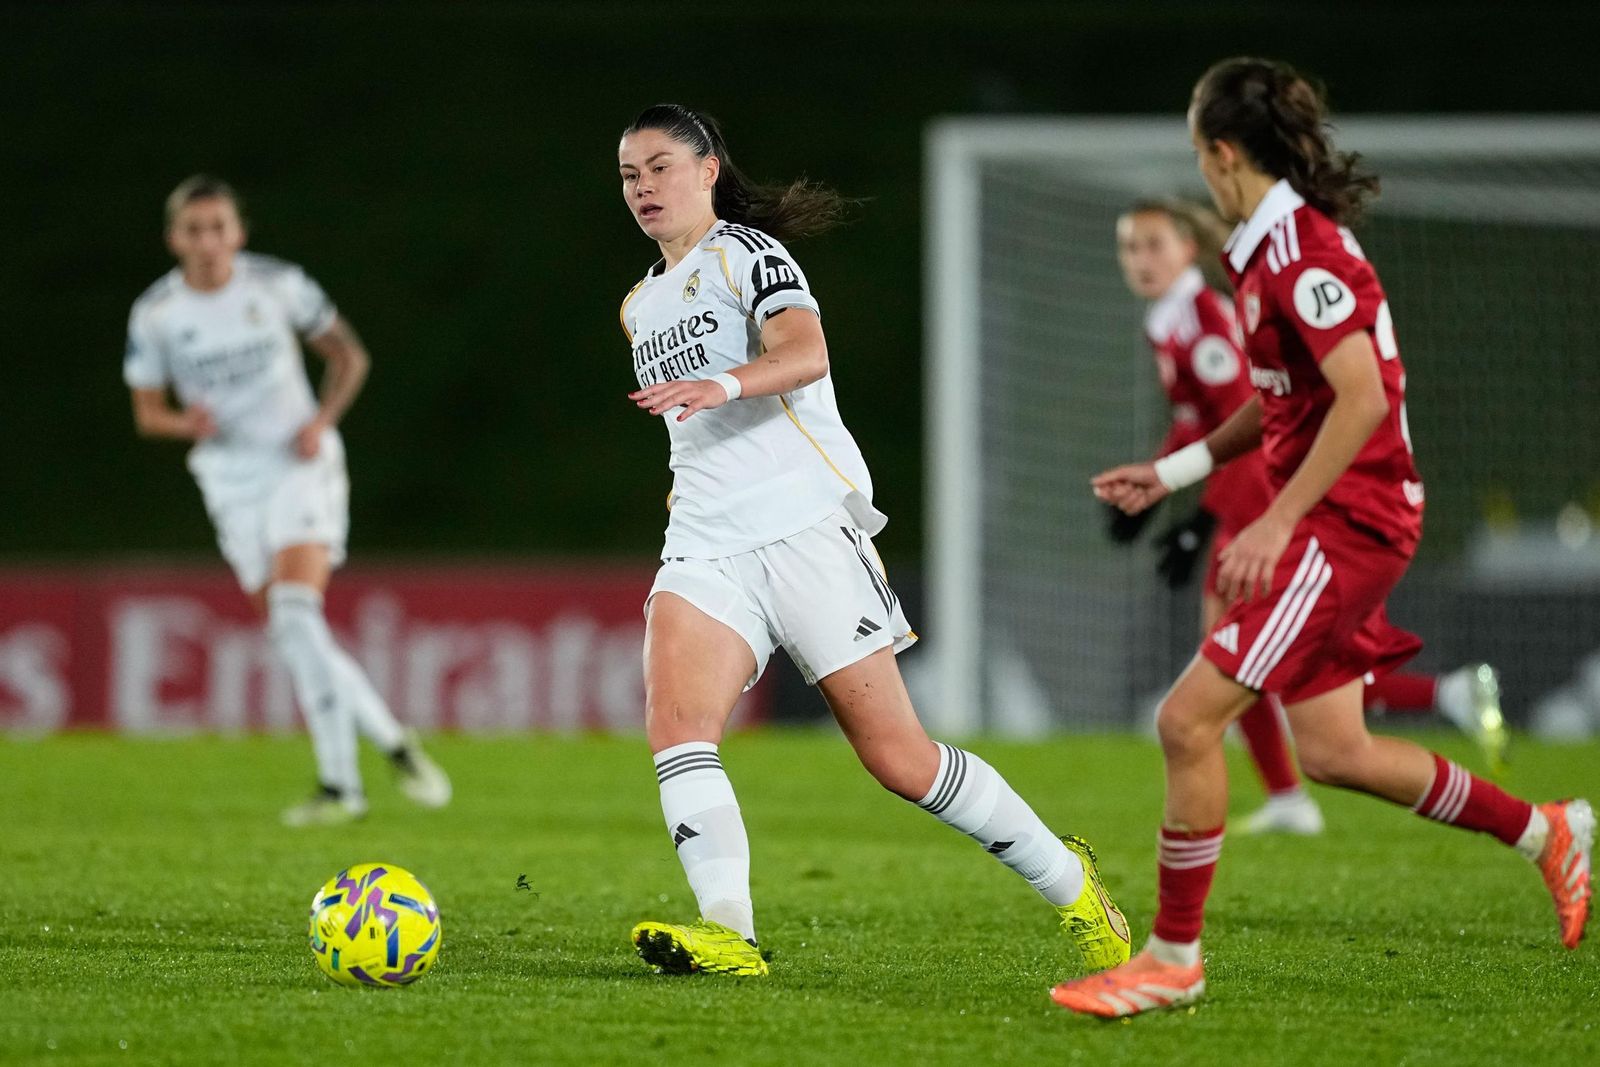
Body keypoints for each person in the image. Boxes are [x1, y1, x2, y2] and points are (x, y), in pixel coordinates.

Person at [1052, 59, 1591, 1018]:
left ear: (1221, 153)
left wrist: (1277, 515)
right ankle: (1549, 831)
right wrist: (1171, 474)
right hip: (1336, 517)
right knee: (1338, 749)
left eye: (1196, 151)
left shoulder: (1299, 251)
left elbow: (1363, 396)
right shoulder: (1261, 250)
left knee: (1186, 721)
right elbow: (1279, 403)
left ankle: (1173, 957)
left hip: (1351, 521)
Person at [615, 104, 1129, 977]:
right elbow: (689, 427)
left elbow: (806, 351)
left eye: (661, 167)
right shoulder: (637, 304)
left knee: (901, 759)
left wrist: (724, 383)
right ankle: (730, 933)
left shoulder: (748, 254)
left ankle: (1071, 882)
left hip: (806, 527)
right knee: (677, 725)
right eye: (629, 175)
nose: (643, 188)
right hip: (707, 543)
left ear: (707, 170)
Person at [1110, 199, 1511, 837]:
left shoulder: (1206, 317)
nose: (1141, 260)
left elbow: (1258, 414)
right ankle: (1448, 715)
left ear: (1189, 249)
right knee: (1286, 681)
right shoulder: (1172, 320)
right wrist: (1161, 481)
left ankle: (1274, 815)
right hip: (1256, 503)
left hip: (1266, 504)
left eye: (1154, 244)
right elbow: (1196, 419)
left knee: (1224, 674)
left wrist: (1205, 518)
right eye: (1130, 247)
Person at [124, 175, 451, 827]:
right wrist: (187, 424)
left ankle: (341, 787)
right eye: (195, 229)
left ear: (238, 232)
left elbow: (348, 357)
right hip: (228, 479)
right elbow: (148, 412)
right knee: (293, 630)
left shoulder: (278, 285)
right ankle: (390, 738)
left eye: (219, 227)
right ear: (174, 239)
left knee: (296, 609)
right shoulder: (156, 313)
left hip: (298, 464)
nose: (209, 241)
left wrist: (321, 420)